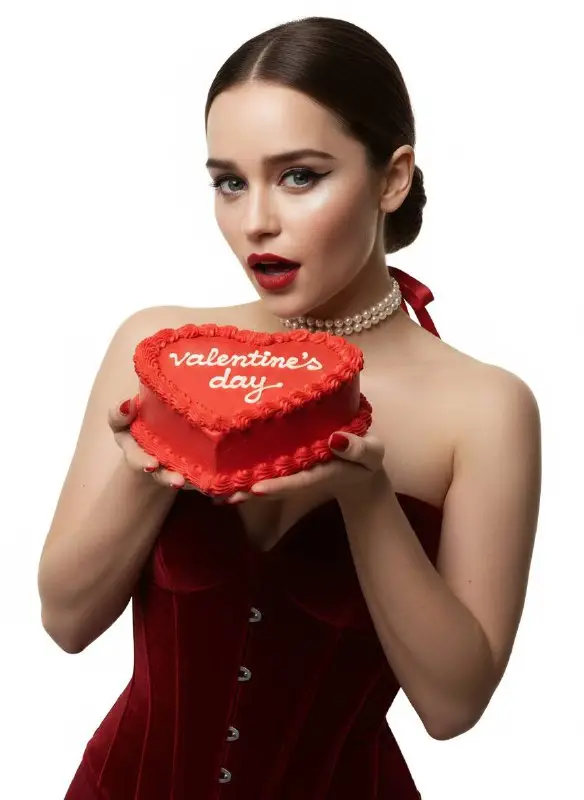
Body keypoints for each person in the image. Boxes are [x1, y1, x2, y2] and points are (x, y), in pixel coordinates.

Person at [38, 15, 542, 800]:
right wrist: (147, 467)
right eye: (230, 181)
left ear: (392, 177)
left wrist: (367, 497)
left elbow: (453, 707)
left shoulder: (484, 408)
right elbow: (65, 623)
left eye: (300, 175)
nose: (256, 221)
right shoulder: (159, 349)